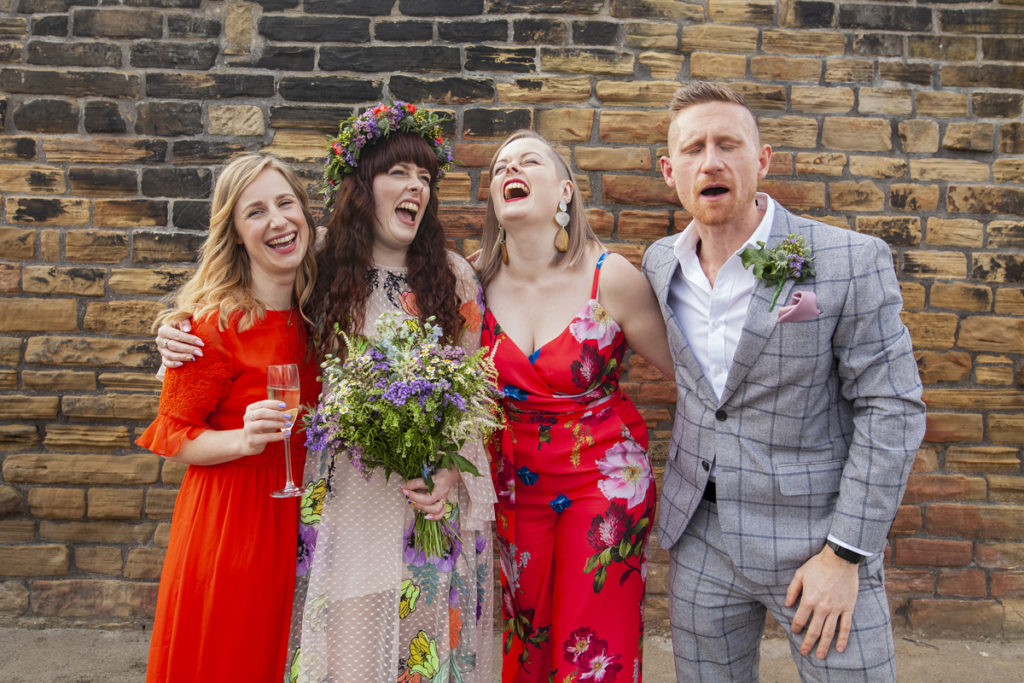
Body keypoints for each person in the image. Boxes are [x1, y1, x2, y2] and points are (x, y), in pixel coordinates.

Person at [155, 102, 495, 682]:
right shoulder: (320, 268)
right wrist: (172, 329)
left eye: (424, 177)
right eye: (397, 173)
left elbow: (476, 395)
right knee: (348, 663)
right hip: (346, 504)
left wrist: (450, 474)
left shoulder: (454, 276)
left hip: (425, 506)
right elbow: (247, 304)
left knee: (424, 662)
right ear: (361, 188)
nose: (415, 186)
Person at [642, 79, 927, 681]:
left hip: (818, 542)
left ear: (762, 159)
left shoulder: (849, 260)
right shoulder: (661, 263)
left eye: (729, 144)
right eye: (693, 149)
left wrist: (845, 554)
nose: (711, 161)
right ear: (670, 170)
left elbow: (892, 408)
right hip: (701, 539)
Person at [477, 130, 674, 682]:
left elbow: (693, 376)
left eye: (527, 160)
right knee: (527, 639)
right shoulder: (473, 280)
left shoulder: (609, 277)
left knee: (593, 648)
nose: (509, 169)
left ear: (565, 191)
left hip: (604, 483)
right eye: (499, 167)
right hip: (516, 486)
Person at [137, 153, 320, 682]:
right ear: (236, 234)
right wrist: (243, 440)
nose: (278, 221)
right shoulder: (211, 324)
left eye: (286, 203)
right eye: (256, 212)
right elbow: (173, 435)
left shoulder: (323, 312)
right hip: (233, 522)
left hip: (306, 517)